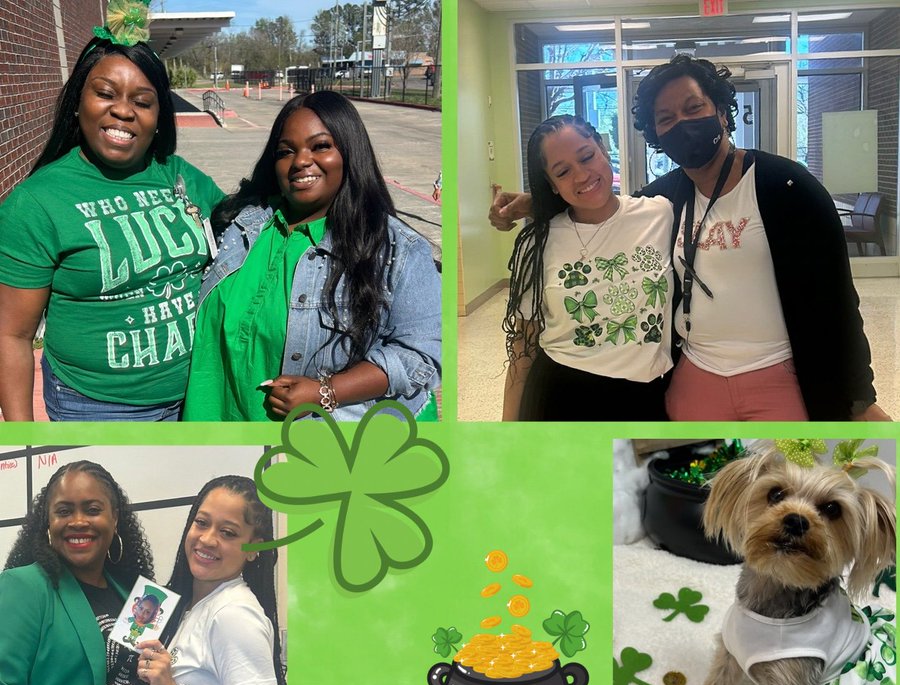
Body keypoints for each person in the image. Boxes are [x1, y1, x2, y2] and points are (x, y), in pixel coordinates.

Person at [491, 56, 888, 422]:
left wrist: (858, 398)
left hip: (773, 375)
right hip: (685, 380)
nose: (682, 123)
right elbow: (597, 205)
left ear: (719, 109)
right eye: (666, 118)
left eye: (693, 108)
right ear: (656, 134)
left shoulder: (785, 186)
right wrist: (535, 204)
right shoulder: (667, 198)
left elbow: (836, 300)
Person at [0, 8, 223, 421]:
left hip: (199, 394)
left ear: (159, 118)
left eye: (143, 101)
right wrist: (22, 438)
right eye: (105, 93)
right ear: (77, 103)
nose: (124, 111)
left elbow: (252, 230)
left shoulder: (180, 176)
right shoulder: (36, 202)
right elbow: (11, 335)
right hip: (98, 407)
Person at [182, 91, 441, 422]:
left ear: (350, 153)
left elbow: (423, 356)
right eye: (286, 151)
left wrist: (327, 391)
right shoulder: (240, 226)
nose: (300, 161)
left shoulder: (395, 250)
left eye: (321, 146)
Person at [501, 115, 673, 421]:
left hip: (648, 396)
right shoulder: (538, 243)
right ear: (551, 185)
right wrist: (507, 432)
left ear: (604, 151)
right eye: (563, 171)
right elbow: (522, 348)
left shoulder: (660, 212)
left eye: (587, 156)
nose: (581, 175)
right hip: (564, 395)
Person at [0, 460, 154, 685]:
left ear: (115, 518)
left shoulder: (133, 597)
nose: (78, 521)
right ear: (48, 522)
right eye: (64, 511)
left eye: (93, 510)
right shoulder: (22, 587)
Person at [139, 476, 287, 685]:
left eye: (228, 532)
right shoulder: (188, 605)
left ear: (253, 548)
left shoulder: (233, 615)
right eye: (202, 523)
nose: (207, 539)